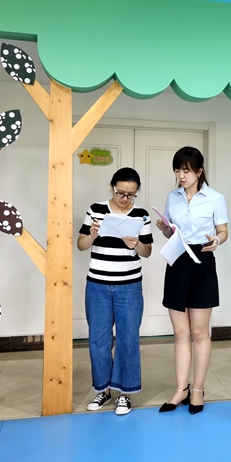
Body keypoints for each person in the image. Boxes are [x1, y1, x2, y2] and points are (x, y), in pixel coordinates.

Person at [156, 147, 228, 415]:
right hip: (177, 260)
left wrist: (217, 240)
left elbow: (223, 231)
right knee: (180, 332)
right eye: (177, 170)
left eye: (186, 170)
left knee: (199, 332)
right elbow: (170, 233)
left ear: (199, 171)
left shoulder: (215, 198)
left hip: (202, 260)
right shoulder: (172, 197)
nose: (181, 175)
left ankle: (197, 390)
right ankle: (180, 389)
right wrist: (164, 229)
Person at [77, 167, 153, 416]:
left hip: (129, 286)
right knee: (98, 340)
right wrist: (92, 235)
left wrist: (136, 244)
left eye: (131, 194)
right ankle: (104, 390)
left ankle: (125, 393)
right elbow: (81, 245)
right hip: (97, 284)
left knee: (128, 340)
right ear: (112, 187)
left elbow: (147, 252)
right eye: (121, 192)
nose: (125, 198)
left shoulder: (141, 216)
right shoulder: (96, 209)